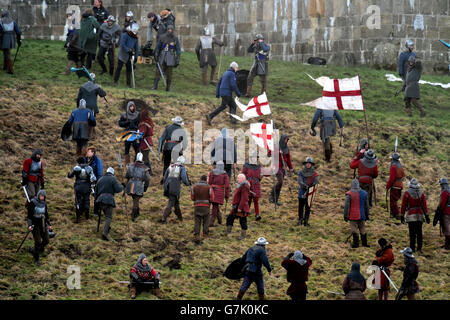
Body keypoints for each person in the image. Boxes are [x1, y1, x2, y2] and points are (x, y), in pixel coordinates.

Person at [94, 167, 124, 241]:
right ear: (112, 173)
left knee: (106, 215)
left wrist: (96, 203)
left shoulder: (100, 179)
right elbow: (118, 189)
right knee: (108, 217)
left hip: (100, 200)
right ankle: (105, 232)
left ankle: (107, 228)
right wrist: (123, 186)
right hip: (109, 200)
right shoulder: (113, 179)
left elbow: (95, 192)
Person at [400, 178, 430, 253]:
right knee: (419, 233)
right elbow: (424, 206)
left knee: (412, 233)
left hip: (411, 215)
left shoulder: (407, 193)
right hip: (419, 214)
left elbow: (403, 205)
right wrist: (427, 215)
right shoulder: (421, 193)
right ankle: (419, 248)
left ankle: (412, 248)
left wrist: (402, 215)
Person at [161, 156, 191, 223]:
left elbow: (165, 177)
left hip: (167, 186)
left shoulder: (170, 166)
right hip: (175, 187)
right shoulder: (182, 168)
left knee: (176, 202)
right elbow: (184, 178)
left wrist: (166, 185)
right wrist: (188, 184)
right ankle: (164, 217)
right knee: (171, 202)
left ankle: (180, 218)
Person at [27, 190, 52, 266]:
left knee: (46, 240)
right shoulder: (33, 202)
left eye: (43, 196)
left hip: (43, 224)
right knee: (37, 241)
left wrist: (49, 224)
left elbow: (46, 214)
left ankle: (36, 251)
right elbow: (29, 216)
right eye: (41, 196)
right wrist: (30, 225)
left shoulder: (44, 203)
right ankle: (36, 258)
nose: (42, 197)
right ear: (38, 195)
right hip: (35, 225)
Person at [67, 157, 97, 223]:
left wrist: (68, 174)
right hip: (87, 186)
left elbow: (70, 176)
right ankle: (87, 216)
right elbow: (93, 178)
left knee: (78, 201)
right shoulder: (89, 168)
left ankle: (78, 217)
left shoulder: (77, 167)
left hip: (78, 186)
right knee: (87, 200)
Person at [158, 116, 187, 183]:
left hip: (167, 147)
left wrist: (160, 149)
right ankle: (176, 180)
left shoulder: (168, 128)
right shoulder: (182, 130)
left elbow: (162, 138)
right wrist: (182, 149)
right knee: (177, 164)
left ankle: (164, 179)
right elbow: (185, 142)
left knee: (166, 164)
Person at [152, 25, 180, 91]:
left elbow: (178, 49)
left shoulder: (175, 38)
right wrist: (156, 54)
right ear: (167, 30)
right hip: (162, 56)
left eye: (171, 29)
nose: (169, 30)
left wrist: (177, 58)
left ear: (173, 30)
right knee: (158, 72)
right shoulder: (162, 37)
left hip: (170, 56)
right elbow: (158, 47)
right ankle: (155, 86)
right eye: (169, 29)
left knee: (169, 74)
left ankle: (168, 88)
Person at [344, 179, 370, 248]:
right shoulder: (364, 193)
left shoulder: (349, 194)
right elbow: (366, 206)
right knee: (362, 228)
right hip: (362, 214)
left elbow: (346, 207)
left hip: (352, 215)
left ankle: (356, 244)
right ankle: (364, 243)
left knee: (354, 229)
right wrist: (367, 215)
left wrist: (345, 216)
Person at [269, 134, 294, 206]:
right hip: (277, 166)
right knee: (280, 181)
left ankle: (275, 200)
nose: (286, 141)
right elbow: (269, 153)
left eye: (287, 140)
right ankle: (271, 194)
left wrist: (291, 167)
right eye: (285, 139)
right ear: (282, 139)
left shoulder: (286, 148)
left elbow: (288, 159)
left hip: (283, 167)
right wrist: (277, 152)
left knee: (280, 184)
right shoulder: (276, 146)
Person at [125, 152, 150, 222]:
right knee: (136, 199)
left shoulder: (131, 166)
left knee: (135, 198)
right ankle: (134, 215)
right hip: (138, 185)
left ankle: (137, 212)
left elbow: (127, 176)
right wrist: (145, 188)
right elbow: (147, 179)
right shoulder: (144, 168)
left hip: (131, 184)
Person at [114, 23, 139, 87]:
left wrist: (136, 57)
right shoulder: (125, 35)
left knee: (129, 69)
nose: (136, 32)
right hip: (123, 53)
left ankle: (128, 84)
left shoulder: (135, 38)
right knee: (119, 68)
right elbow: (122, 44)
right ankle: (115, 81)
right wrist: (128, 50)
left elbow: (136, 48)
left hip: (129, 56)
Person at [226, 173, 250, 240]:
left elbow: (244, 198)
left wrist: (240, 208)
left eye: (238, 178)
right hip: (236, 207)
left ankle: (243, 235)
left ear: (242, 179)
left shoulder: (244, 186)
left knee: (243, 221)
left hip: (241, 207)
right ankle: (228, 232)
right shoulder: (241, 186)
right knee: (230, 218)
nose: (237, 179)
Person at [190, 175, 214, 242]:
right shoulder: (209, 187)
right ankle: (205, 234)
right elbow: (212, 198)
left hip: (197, 206)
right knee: (206, 221)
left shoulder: (194, 186)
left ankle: (197, 234)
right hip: (206, 206)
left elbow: (192, 197)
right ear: (206, 180)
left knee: (197, 221)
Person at [297, 157, 319, 227]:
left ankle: (306, 221)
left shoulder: (314, 174)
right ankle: (300, 220)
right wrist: (305, 186)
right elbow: (300, 181)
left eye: (309, 164)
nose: (308, 165)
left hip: (310, 192)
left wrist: (310, 188)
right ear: (305, 164)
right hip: (302, 192)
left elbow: (315, 182)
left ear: (311, 164)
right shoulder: (301, 172)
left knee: (308, 207)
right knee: (301, 207)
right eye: (307, 163)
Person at [207, 161, 230, 227]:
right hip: (219, 192)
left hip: (211, 190)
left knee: (214, 205)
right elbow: (227, 186)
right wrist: (227, 196)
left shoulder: (212, 172)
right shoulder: (224, 174)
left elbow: (209, 182)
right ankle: (211, 222)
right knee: (215, 206)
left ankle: (219, 220)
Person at [118, 101, 140, 167]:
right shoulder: (125, 115)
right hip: (127, 134)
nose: (132, 108)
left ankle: (136, 162)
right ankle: (127, 164)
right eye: (130, 106)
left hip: (135, 134)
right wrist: (126, 123)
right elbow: (120, 123)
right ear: (128, 107)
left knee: (137, 148)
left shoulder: (138, 114)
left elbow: (140, 123)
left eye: (133, 106)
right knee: (127, 149)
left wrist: (136, 127)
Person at [242, 152, 263, 221]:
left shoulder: (259, 166)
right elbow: (243, 174)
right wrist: (244, 182)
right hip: (248, 184)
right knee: (248, 199)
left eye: (256, 158)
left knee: (256, 200)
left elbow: (262, 174)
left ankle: (257, 214)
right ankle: (246, 213)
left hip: (256, 185)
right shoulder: (246, 166)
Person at [0, 9, 21, 74]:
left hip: (3, 38)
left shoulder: (1, 21)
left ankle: (10, 69)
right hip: (11, 38)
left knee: (7, 53)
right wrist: (19, 40)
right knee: (6, 52)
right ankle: (5, 66)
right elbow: (18, 32)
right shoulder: (13, 22)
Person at [386, 152, 405, 219]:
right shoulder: (400, 166)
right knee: (395, 201)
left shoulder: (393, 167)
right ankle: (394, 214)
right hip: (400, 185)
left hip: (395, 186)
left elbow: (391, 178)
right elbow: (403, 175)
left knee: (393, 201)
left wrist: (388, 186)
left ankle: (397, 214)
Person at [63, 9, 82, 75]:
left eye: (70, 15)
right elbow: (70, 34)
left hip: (74, 44)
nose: (68, 16)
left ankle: (67, 72)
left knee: (71, 58)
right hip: (74, 44)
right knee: (76, 59)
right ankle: (79, 71)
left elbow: (75, 35)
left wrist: (70, 43)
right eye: (68, 15)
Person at [86, 146, 103, 217]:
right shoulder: (86, 159)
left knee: (96, 196)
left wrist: (98, 182)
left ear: (93, 153)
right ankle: (86, 210)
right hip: (87, 180)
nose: (87, 153)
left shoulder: (97, 160)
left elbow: (99, 172)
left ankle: (96, 211)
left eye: (88, 152)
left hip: (95, 180)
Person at [434, 178, 450, 250]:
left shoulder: (444, 192)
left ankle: (447, 246)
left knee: (447, 229)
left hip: (446, 212)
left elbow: (442, 203)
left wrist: (439, 211)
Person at [138, 108, 155, 173]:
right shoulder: (150, 121)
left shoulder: (143, 123)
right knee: (146, 157)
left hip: (144, 142)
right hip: (149, 141)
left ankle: (148, 171)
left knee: (145, 158)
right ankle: (147, 170)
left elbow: (142, 134)